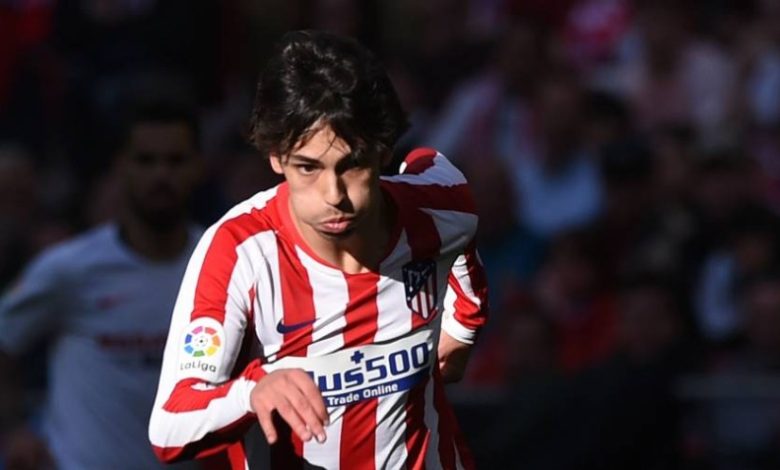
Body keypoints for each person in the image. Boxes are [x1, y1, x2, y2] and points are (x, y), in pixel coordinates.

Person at [148, 30, 489, 469]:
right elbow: (170, 426)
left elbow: (461, 247)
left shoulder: (440, 210)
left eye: (352, 164)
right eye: (308, 167)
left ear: (383, 150)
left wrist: (460, 332)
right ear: (276, 157)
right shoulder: (240, 251)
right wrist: (252, 393)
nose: (334, 195)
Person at [0, 102, 204, 469]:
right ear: (121, 166)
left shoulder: (223, 263)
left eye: (175, 160)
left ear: (198, 167)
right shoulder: (70, 268)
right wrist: (14, 428)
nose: (161, 174)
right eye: (146, 160)